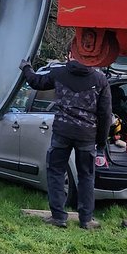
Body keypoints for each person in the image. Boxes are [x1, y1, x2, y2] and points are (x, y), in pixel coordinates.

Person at [19, 48, 112, 229]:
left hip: (62, 132)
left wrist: (26, 68)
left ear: (70, 54)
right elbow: (105, 114)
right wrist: (101, 141)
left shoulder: (59, 73)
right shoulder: (100, 80)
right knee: (86, 176)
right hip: (87, 135)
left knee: (56, 172)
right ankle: (86, 220)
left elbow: (36, 82)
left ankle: (59, 217)